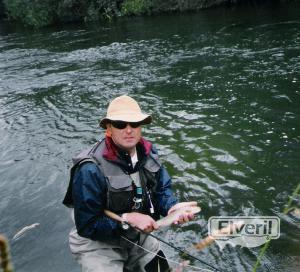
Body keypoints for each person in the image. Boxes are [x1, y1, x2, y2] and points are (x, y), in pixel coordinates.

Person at [63, 95, 194, 272]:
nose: (129, 130)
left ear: (141, 127)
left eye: (134, 124)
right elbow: (87, 226)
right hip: (98, 245)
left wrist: (171, 208)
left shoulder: (149, 153)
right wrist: (127, 219)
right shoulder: (89, 169)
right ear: (108, 129)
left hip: (138, 237)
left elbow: (162, 191)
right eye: (120, 124)